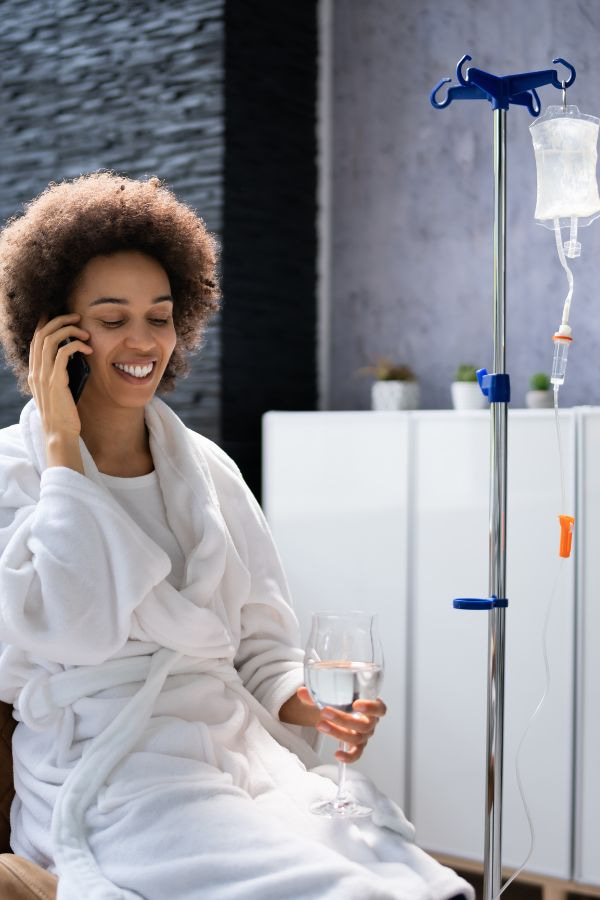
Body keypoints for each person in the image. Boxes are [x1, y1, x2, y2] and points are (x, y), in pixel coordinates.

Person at [0, 173, 473, 900]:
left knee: (405, 874)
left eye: (159, 317)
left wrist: (313, 704)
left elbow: (260, 645)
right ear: (55, 332)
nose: (142, 341)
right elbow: (73, 633)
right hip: (112, 770)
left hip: (235, 747)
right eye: (111, 316)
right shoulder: (15, 472)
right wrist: (63, 452)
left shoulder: (207, 470)